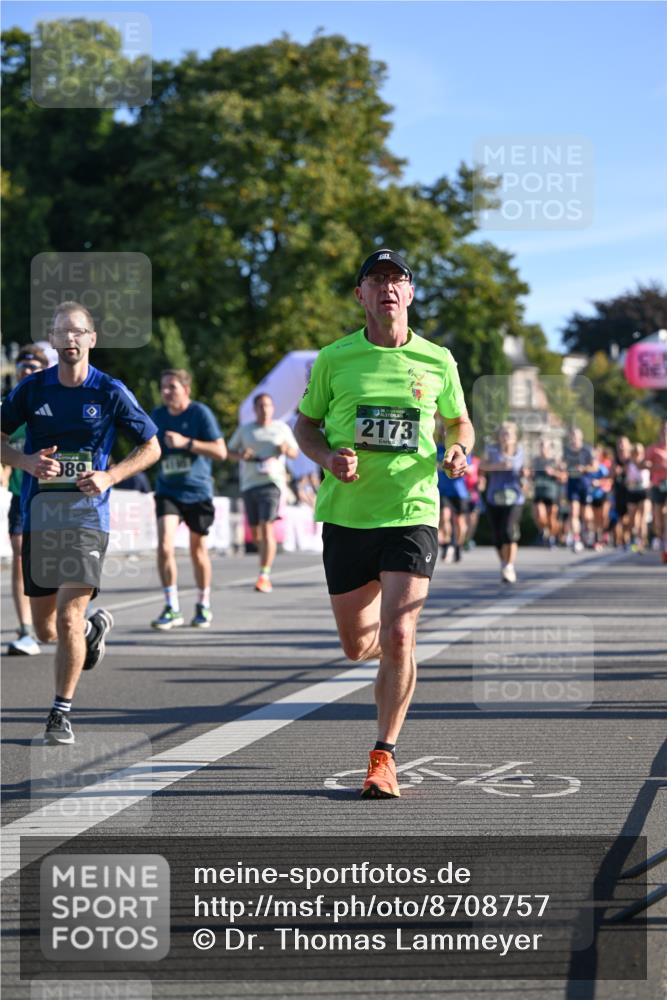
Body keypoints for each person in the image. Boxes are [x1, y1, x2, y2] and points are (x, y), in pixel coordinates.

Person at [294, 248, 473, 799]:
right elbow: (304, 426)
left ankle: (383, 755)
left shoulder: (438, 359)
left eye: (398, 280)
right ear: (361, 295)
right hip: (348, 516)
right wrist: (327, 459)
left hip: (412, 510)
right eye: (376, 280)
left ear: (411, 294)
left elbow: (459, 421)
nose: (388, 288)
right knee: (357, 646)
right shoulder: (334, 358)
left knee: (399, 633)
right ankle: (398, 657)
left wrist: (459, 450)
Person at [0, 301, 160, 744]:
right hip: (39, 517)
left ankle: (60, 711)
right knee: (46, 629)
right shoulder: (32, 390)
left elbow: (151, 446)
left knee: (68, 617)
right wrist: (25, 461)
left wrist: (111, 474)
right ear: (52, 340)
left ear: (92, 339)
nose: (69, 339)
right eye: (61, 332)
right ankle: (94, 629)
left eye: (78, 332)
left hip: (88, 519)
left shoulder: (109, 390)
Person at [150, 369, 226, 630]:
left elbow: (220, 451)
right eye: (164, 387)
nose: (167, 392)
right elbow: (147, 449)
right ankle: (171, 607)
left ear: (186, 389)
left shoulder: (199, 413)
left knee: (197, 550)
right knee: (164, 546)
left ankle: (203, 604)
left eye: (172, 386)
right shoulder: (157, 416)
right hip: (168, 490)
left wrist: (186, 443)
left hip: (197, 491)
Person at [2, 345, 50, 654]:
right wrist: (7, 468)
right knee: (20, 561)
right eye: (22, 366)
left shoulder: (51, 406)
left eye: (33, 366)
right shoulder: (8, 407)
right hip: (21, 497)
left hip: (52, 500)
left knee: (53, 564)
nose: (26, 371)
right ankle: (26, 630)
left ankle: (70, 618)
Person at [228, 393, 299, 593]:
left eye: (267, 406)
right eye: (260, 406)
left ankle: (264, 574)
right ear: (255, 409)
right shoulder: (246, 430)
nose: (264, 409)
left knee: (266, 527)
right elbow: (229, 452)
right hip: (250, 484)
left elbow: (295, 452)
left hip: (272, 483)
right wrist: (242, 455)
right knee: (256, 532)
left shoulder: (281, 428)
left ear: (272, 408)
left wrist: (285, 448)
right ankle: (264, 563)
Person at [479, 422, 526, 583]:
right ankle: (504, 563)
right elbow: (482, 465)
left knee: (509, 531)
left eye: (509, 434)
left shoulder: (521, 452)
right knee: (498, 537)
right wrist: (497, 466)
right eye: (503, 434)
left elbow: (527, 472)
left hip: (515, 497)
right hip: (495, 497)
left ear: (515, 437)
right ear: (498, 436)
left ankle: (509, 566)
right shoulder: (492, 451)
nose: (506, 437)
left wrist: (525, 477)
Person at [562, 426, 596, 552]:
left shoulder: (587, 450)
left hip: (585, 484)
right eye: (572, 436)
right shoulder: (566, 451)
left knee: (586, 515)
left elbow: (595, 467)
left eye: (576, 436)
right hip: (572, 483)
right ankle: (577, 539)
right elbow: (562, 464)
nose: (574, 439)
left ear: (580, 438)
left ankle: (589, 533)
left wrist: (584, 468)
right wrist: (562, 466)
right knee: (574, 512)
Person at [530, 438, 562, 548]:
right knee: (540, 514)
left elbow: (564, 477)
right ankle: (544, 531)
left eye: (545, 446)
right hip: (539, 492)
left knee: (551, 518)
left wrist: (553, 472)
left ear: (550, 448)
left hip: (551, 493)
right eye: (541, 445)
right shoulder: (535, 461)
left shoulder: (555, 461)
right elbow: (530, 475)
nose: (543, 448)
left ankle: (552, 538)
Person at [646, 420, 667, 563]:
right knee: (658, 515)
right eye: (664, 430)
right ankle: (660, 537)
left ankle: (665, 542)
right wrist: (653, 465)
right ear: (661, 433)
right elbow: (643, 463)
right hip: (658, 484)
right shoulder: (653, 448)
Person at [625, 442, 650, 552]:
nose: (637, 454)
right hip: (632, 492)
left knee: (643, 519)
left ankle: (642, 542)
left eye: (639, 452)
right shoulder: (629, 464)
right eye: (635, 452)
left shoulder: (647, 462)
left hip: (644, 492)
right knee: (633, 520)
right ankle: (634, 540)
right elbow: (627, 479)